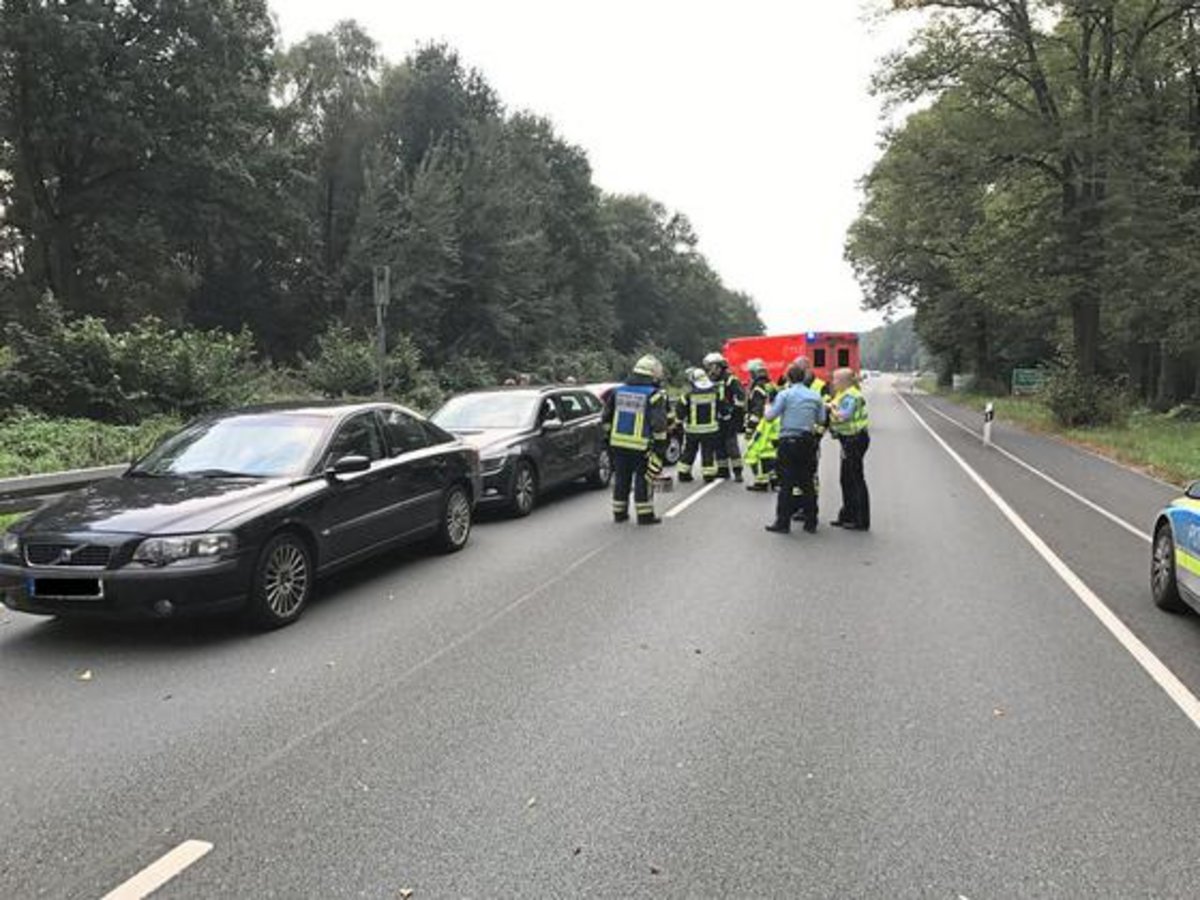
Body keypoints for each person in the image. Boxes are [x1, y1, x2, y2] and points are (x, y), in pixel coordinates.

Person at [601, 354, 670, 525]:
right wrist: (660, 447)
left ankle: (619, 513)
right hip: (642, 446)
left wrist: (609, 439)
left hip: (618, 445)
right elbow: (659, 425)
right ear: (651, 374)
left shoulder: (617, 392)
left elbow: (606, 419)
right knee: (643, 479)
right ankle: (645, 515)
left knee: (621, 479)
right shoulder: (654, 395)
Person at [763, 363, 826, 535]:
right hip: (807, 442)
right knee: (807, 483)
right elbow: (821, 420)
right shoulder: (815, 396)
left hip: (788, 441)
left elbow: (769, 417)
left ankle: (783, 523)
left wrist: (768, 405)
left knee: (786, 484)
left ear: (788, 378)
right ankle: (811, 522)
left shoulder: (785, 394)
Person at [827, 367, 870, 531]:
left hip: (854, 439)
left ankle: (860, 520)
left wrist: (830, 409)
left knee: (855, 479)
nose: (833, 382)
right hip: (848, 439)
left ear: (844, 381)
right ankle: (847, 515)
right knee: (845, 479)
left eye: (835, 379)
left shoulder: (852, 395)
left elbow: (844, 415)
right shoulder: (843, 394)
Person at [704, 351, 746, 481]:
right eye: (708, 368)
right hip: (716, 418)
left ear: (718, 366)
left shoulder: (730, 379)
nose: (710, 371)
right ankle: (723, 471)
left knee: (731, 445)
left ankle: (738, 472)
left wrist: (733, 413)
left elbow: (741, 397)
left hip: (729, 419)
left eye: (711, 367)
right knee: (718, 445)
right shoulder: (710, 381)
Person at [677, 367, 721, 483]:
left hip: (693, 431)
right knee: (708, 452)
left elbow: (680, 411)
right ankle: (708, 475)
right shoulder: (715, 393)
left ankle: (683, 474)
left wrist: (679, 422)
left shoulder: (688, 395)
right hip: (710, 430)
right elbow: (723, 408)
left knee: (689, 451)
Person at [742, 359, 778, 492]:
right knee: (769, 453)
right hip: (772, 425)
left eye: (750, 373)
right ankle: (774, 479)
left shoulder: (757, 388)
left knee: (756, 453)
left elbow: (757, 410)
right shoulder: (771, 385)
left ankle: (761, 482)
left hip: (761, 426)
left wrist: (750, 428)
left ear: (754, 373)